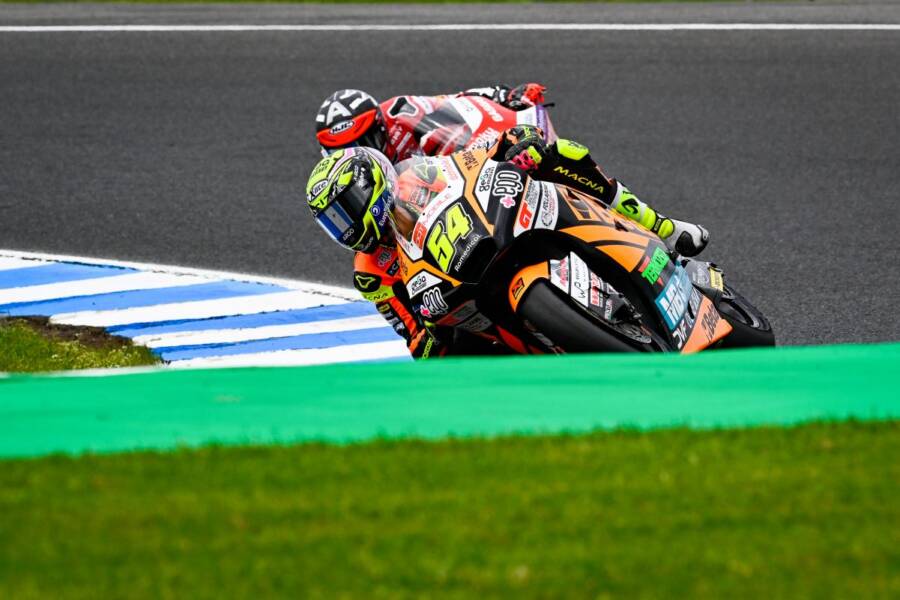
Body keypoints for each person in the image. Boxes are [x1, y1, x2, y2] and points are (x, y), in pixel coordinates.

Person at [304, 126, 709, 358]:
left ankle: (660, 226)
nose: (345, 227)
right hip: (464, 303)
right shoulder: (370, 273)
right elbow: (413, 338)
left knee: (559, 153)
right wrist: (431, 335)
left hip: (489, 233)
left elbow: (469, 159)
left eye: (345, 209)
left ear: (371, 185)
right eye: (332, 222)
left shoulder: (417, 178)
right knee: (455, 365)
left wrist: (515, 142)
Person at [314, 85, 549, 162]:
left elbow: (453, 102)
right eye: (339, 153)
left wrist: (504, 96)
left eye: (362, 145)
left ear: (379, 128)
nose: (355, 158)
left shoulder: (401, 113)